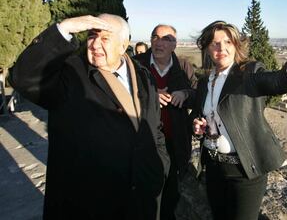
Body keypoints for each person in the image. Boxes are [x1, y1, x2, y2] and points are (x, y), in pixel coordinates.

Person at [8, 14, 170, 220]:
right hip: (89, 202)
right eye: (92, 36)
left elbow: (155, 129)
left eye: (104, 38)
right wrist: (63, 29)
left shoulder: (144, 76)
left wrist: (160, 167)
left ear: (123, 45)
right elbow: (23, 78)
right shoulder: (70, 73)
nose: (94, 45)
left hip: (142, 198)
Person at [192, 21, 287, 220]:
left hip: (245, 172)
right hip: (214, 169)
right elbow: (198, 114)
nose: (221, 48)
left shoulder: (248, 74)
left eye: (227, 42)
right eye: (215, 43)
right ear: (207, 48)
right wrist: (197, 125)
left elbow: (274, 82)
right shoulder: (204, 82)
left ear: (236, 46)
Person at [134, 24, 197, 220]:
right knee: (143, 191)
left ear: (174, 45)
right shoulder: (136, 65)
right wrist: (151, 95)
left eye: (166, 39)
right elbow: (123, 96)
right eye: (155, 37)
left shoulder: (184, 66)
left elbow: (197, 94)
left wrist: (184, 93)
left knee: (171, 190)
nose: (159, 42)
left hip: (175, 140)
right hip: (143, 141)